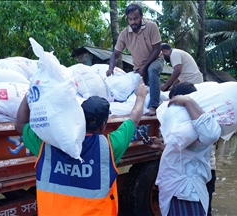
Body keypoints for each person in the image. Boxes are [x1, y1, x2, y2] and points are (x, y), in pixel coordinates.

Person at [15, 78, 148, 215]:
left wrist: (32, 91)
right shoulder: (109, 147)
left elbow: (20, 124)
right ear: (103, 126)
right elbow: (134, 118)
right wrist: (141, 96)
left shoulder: (49, 144)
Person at [148, 82, 221, 216]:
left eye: (175, 101)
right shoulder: (181, 125)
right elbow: (184, 154)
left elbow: (211, 135)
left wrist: (187, 102)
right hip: (177, 191)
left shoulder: (200, 122)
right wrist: (161, 147)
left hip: (186, 193)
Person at [106, 3, 164, 116]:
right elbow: (115, 54)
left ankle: (153, 106)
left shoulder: (151, 26)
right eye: (130, 19)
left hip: (155, 60)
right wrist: (110, 69)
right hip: (138, 68)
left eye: (136, 18)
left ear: (141, 16)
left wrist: (145, 67)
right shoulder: (124, 34)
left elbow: (157, 49)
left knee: (152, 70)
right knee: (138, 87)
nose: (133, 22)